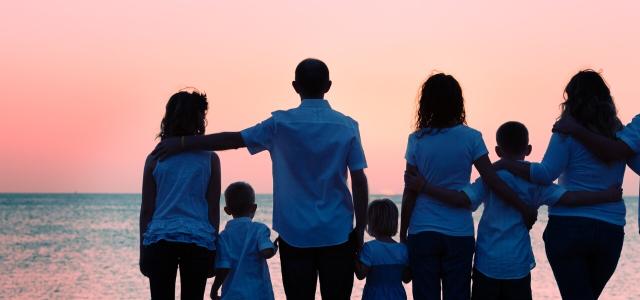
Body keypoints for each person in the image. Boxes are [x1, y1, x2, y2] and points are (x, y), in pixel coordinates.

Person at [152, 58, 369, 299]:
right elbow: (359, 181)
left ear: (295, 86)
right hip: (337, 232)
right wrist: (360, 230)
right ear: (328, 86)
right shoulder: (348, 126)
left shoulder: (280, 124)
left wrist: (182, 142)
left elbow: (233, 140)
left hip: (294, 234)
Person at [406, 121, 623, 300]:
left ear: (498, 151)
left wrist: (424, 186)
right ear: (528, 150)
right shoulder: (536, 184)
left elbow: (462, 199)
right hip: (518, 267)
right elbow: (570, 198)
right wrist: (606, 196)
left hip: (485, 266)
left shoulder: (490, 178)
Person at [400, 73, 534, 300]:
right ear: (458, 102)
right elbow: (492, 179)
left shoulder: (417, 139)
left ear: (426, 102)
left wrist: (403, 236)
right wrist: (522, 207)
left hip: (422, 230)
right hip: (458, 233)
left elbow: (410, 191)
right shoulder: (471, 138)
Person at [494, 70, 627, 300]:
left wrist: (505, 164)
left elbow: (545, 174)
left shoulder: (566, 131)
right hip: (610, 230)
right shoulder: (621, 135)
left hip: (569, 228)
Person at [139, 90, 221, 300]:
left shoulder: (155, 158)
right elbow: (212, 207)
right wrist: (213, 247)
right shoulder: (210, 159)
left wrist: (143, 249)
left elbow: (147, 209)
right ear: (199, 119)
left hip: (160, 238)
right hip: (198, 239)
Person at [553, 113, 640, 233]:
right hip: (609, 223)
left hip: (574, 222)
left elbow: (614, 152)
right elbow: (618, 151)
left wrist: (577, 129)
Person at [210, 182, 277, 300]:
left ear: (227, 210)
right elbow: (266, 252)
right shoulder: (259, 229)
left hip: (233, 295)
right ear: (254, 208)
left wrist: (214, 290)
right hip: (259, 294)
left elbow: (223, 267)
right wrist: (274, 247)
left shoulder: (223, 237)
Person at [355, 199, 411, 300]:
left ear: (372, 223)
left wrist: (353, 254)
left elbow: (360, 274)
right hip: (397, 295)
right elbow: (406, 278)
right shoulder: (402, 249)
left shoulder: (370, 248)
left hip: (374, 296)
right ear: (394, 222)